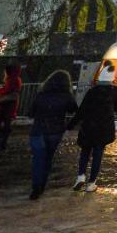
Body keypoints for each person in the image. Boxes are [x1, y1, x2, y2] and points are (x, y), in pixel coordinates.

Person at [69, 62, 117, 192]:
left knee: (85, 151)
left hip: (89, 126)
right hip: (104, 127)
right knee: (98, 154)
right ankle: (92, 182)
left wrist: (70, 125)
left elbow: (82, 110)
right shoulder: (114, 91)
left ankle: (81, 176)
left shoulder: (92, 91)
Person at [27, 70, 77, 199]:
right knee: (48, 158)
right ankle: (41, 184)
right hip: (55, 130)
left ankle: (36, 186)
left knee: (38, 159)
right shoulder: (66, 95)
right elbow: (73, 109)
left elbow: (31, 112)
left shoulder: (41, 94)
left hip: (38, 129)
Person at [0, 63, 22, 152]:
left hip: (6, 105)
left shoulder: (12, 80)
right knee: (5, 125)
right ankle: (2, 144)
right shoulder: (16, 79)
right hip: (10, 105)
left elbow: (7, 90)